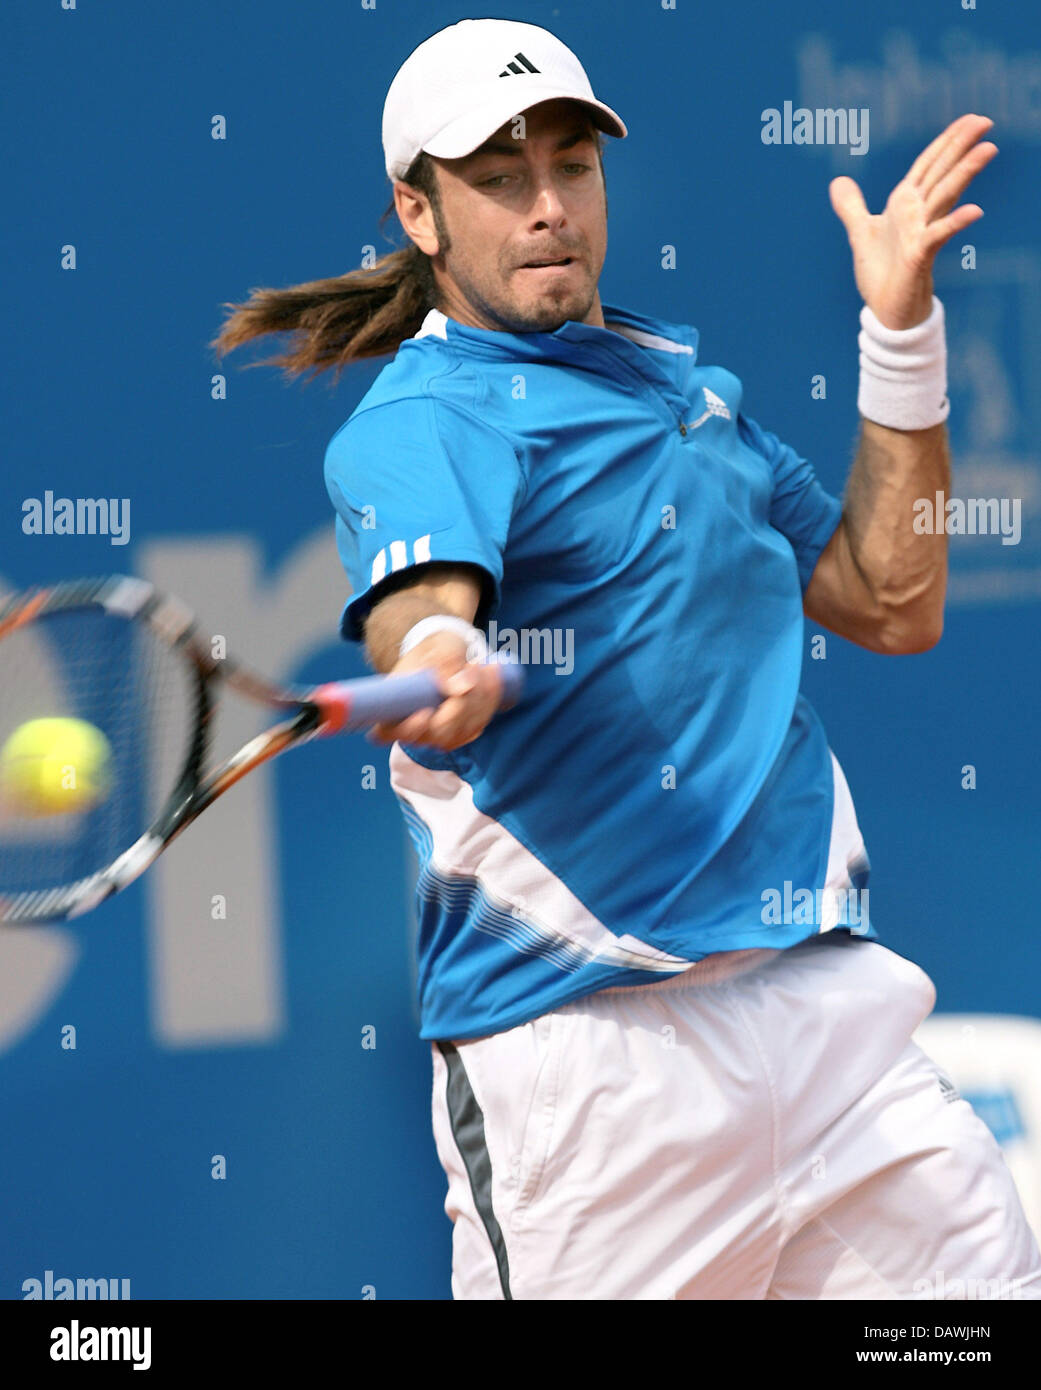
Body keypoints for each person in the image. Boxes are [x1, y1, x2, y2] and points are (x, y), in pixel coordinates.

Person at [213, 18, 1040, 1300]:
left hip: (834, 1035)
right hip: (589, 1078)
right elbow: (420, 599)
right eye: (498, 180)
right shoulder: (428, 417)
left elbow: (893, 596)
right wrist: (442, 649)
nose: (548, 207)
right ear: (419, 214)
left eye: (571, 167)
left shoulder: (692, 396)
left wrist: (901, 335)